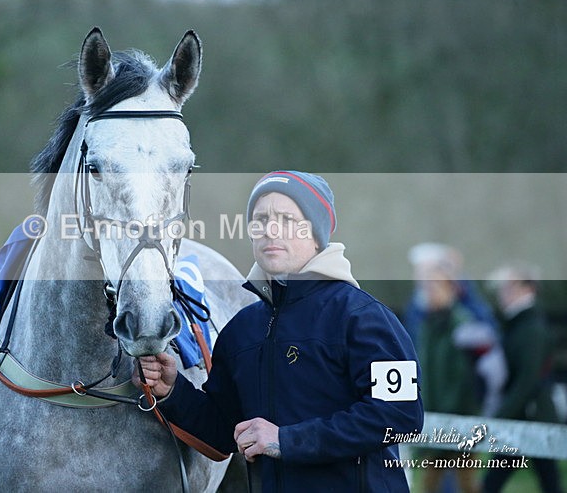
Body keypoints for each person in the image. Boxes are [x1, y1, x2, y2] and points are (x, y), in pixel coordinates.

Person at [137, 171, 424, 492]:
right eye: (260, 220)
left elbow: (401, 417)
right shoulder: (240, 330)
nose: (270, 230)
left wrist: (287, 440)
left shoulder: (366, 318)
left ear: (316, 234)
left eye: (287, 219)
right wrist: (172, 389)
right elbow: (222, 431)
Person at [483, 262, 564, 493]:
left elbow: (528, 380)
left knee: (548, 481)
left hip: (532, 417)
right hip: (524, 416)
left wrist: (502, 416)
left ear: (525, 288)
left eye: (507, 287)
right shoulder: (520, 325)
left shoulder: (531, 328)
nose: (502, 293)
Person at [414, 260, 482, 493]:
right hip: (434, 418)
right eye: (427, 285)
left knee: (466, 485)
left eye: (436, 285)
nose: (429, 291)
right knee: (430, 483)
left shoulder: (462, 323)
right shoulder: (428, 324)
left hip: (459, 419)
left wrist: (448, 419)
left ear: (451, 289)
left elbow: (464, 378)